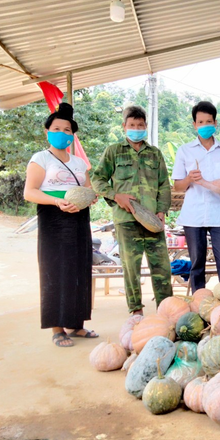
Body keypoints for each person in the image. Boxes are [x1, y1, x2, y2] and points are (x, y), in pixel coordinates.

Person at [23, 103, 98, 347]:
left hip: (78, 218)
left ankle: (77, 325)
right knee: (55, 270)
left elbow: (88, 190)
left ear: (72, 135)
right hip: (53, 219)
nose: (63, 133)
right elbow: (30, 192)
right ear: (47, 131)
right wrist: (58, 202)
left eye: (67, 130)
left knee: (79, 268)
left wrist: (90, 198)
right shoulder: (40, 159)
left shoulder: (79, 163)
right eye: (57, 128)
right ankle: (57, 328)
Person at [91, 105, 173, 315]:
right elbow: (97, 179)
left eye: (140, 125)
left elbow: (164, 184)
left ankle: (167, 312)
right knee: (131, 269)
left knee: (162, 269)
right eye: (132, 125)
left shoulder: (155, 154)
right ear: (124, 126)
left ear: (145, 126)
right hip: (126, 220)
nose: (136, 128)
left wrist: (162, 210)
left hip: (153, 221)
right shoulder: (114, 151)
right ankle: (136, 313)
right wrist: (115, 196)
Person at [172, 101, 220, 292]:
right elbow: (178, 186)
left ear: (215, 123)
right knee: (196, 264)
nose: (204, 125)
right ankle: (199, 302)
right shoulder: (185, 150)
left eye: (208, 121)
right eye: (200, 122)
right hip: (194, 215)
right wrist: (189, 179)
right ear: (194, 125)